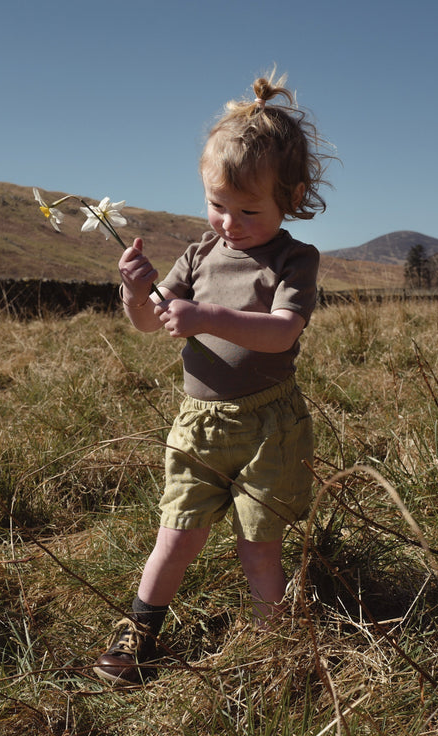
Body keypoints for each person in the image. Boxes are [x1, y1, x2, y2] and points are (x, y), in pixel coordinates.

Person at [94, 71, 332, 686]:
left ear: (292, 197)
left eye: (248, 209)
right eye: (217, 205)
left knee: (259, 544)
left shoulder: (292, 259)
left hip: (268, 426)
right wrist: (134, 289)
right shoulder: (197, 256)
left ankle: (268, 644)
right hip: (198, 425)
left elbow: (282, 331)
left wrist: (207, 317)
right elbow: (149, 323)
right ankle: (139, 630)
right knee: (175, 534)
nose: (229, 222)